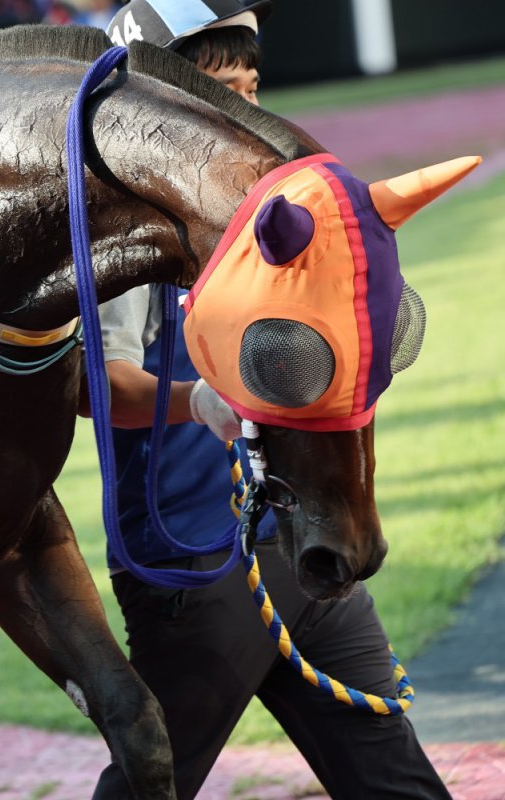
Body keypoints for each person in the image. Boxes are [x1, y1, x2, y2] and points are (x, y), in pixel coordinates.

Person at [87, 2, 452, 797]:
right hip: (193, 565)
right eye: (225, 90)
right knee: (152, 786)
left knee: (396, 782)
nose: (250, 111)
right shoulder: (128, 238)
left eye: (253, 87)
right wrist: (201, 403)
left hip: (300, 545)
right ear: (159, 100)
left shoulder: (272, 213)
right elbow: (97, 388)